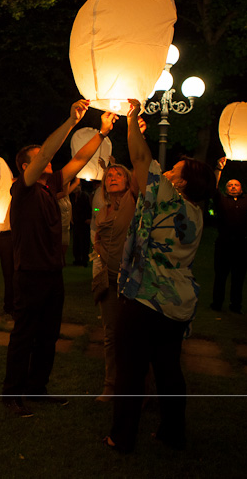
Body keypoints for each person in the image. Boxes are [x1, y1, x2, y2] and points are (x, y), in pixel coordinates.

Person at [106, 99, 216, 453]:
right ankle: (172, 432)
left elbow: (140, 160)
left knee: (130, 372)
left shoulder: (169, 197)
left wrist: (132, 117)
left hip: (144, 300)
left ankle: (121, 438)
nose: (167, 174)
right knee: (169, 370)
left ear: (182, 183)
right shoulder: (196, 215)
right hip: (177, 305)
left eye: (174, 171)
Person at [2, 100, 114, 418]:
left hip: (53, 272)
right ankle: (12, 395)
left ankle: (37, 388)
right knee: (24, 334)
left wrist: (103, 132)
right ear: (26, 167)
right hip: (30, 273)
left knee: (48, 335)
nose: (48, 162)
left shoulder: (51, 187)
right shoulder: (22, 189)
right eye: (40, 158)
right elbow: (52, 152)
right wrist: (71, 121)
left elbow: (79, 158)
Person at [91, 161, 138, 402]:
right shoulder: (104, 208)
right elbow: (98, 237)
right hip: (108, 280)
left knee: (135, 336)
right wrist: (99, 249)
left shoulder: (133, 201)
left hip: (133, 281)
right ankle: (111, 385)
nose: (113, 177)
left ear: (128, 181)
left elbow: (141, 167)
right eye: (108, 176)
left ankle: (139, 389)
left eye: (119, 174)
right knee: (110, 334)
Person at [210, 157, 247, 313]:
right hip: (224, 243)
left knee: (238, 276)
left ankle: (236, 306)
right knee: (220, 275)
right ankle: (217, 304)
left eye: (236, 184)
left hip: (241, 244)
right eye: (230, 185)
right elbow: (212, 186)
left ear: (241, 189)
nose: (233, 186)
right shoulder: (221, 199)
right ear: (226, 188)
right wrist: (219, 168)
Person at [70, 180, 93, 266]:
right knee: (76, 241)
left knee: (84, 242)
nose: (76, 188)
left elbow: (89, 208)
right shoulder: (72, 196)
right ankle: (77, 259)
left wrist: (88, 218)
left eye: (77, 186)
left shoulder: (84, 196)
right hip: (76, 222)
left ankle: (84, 260)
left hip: (84, 222)